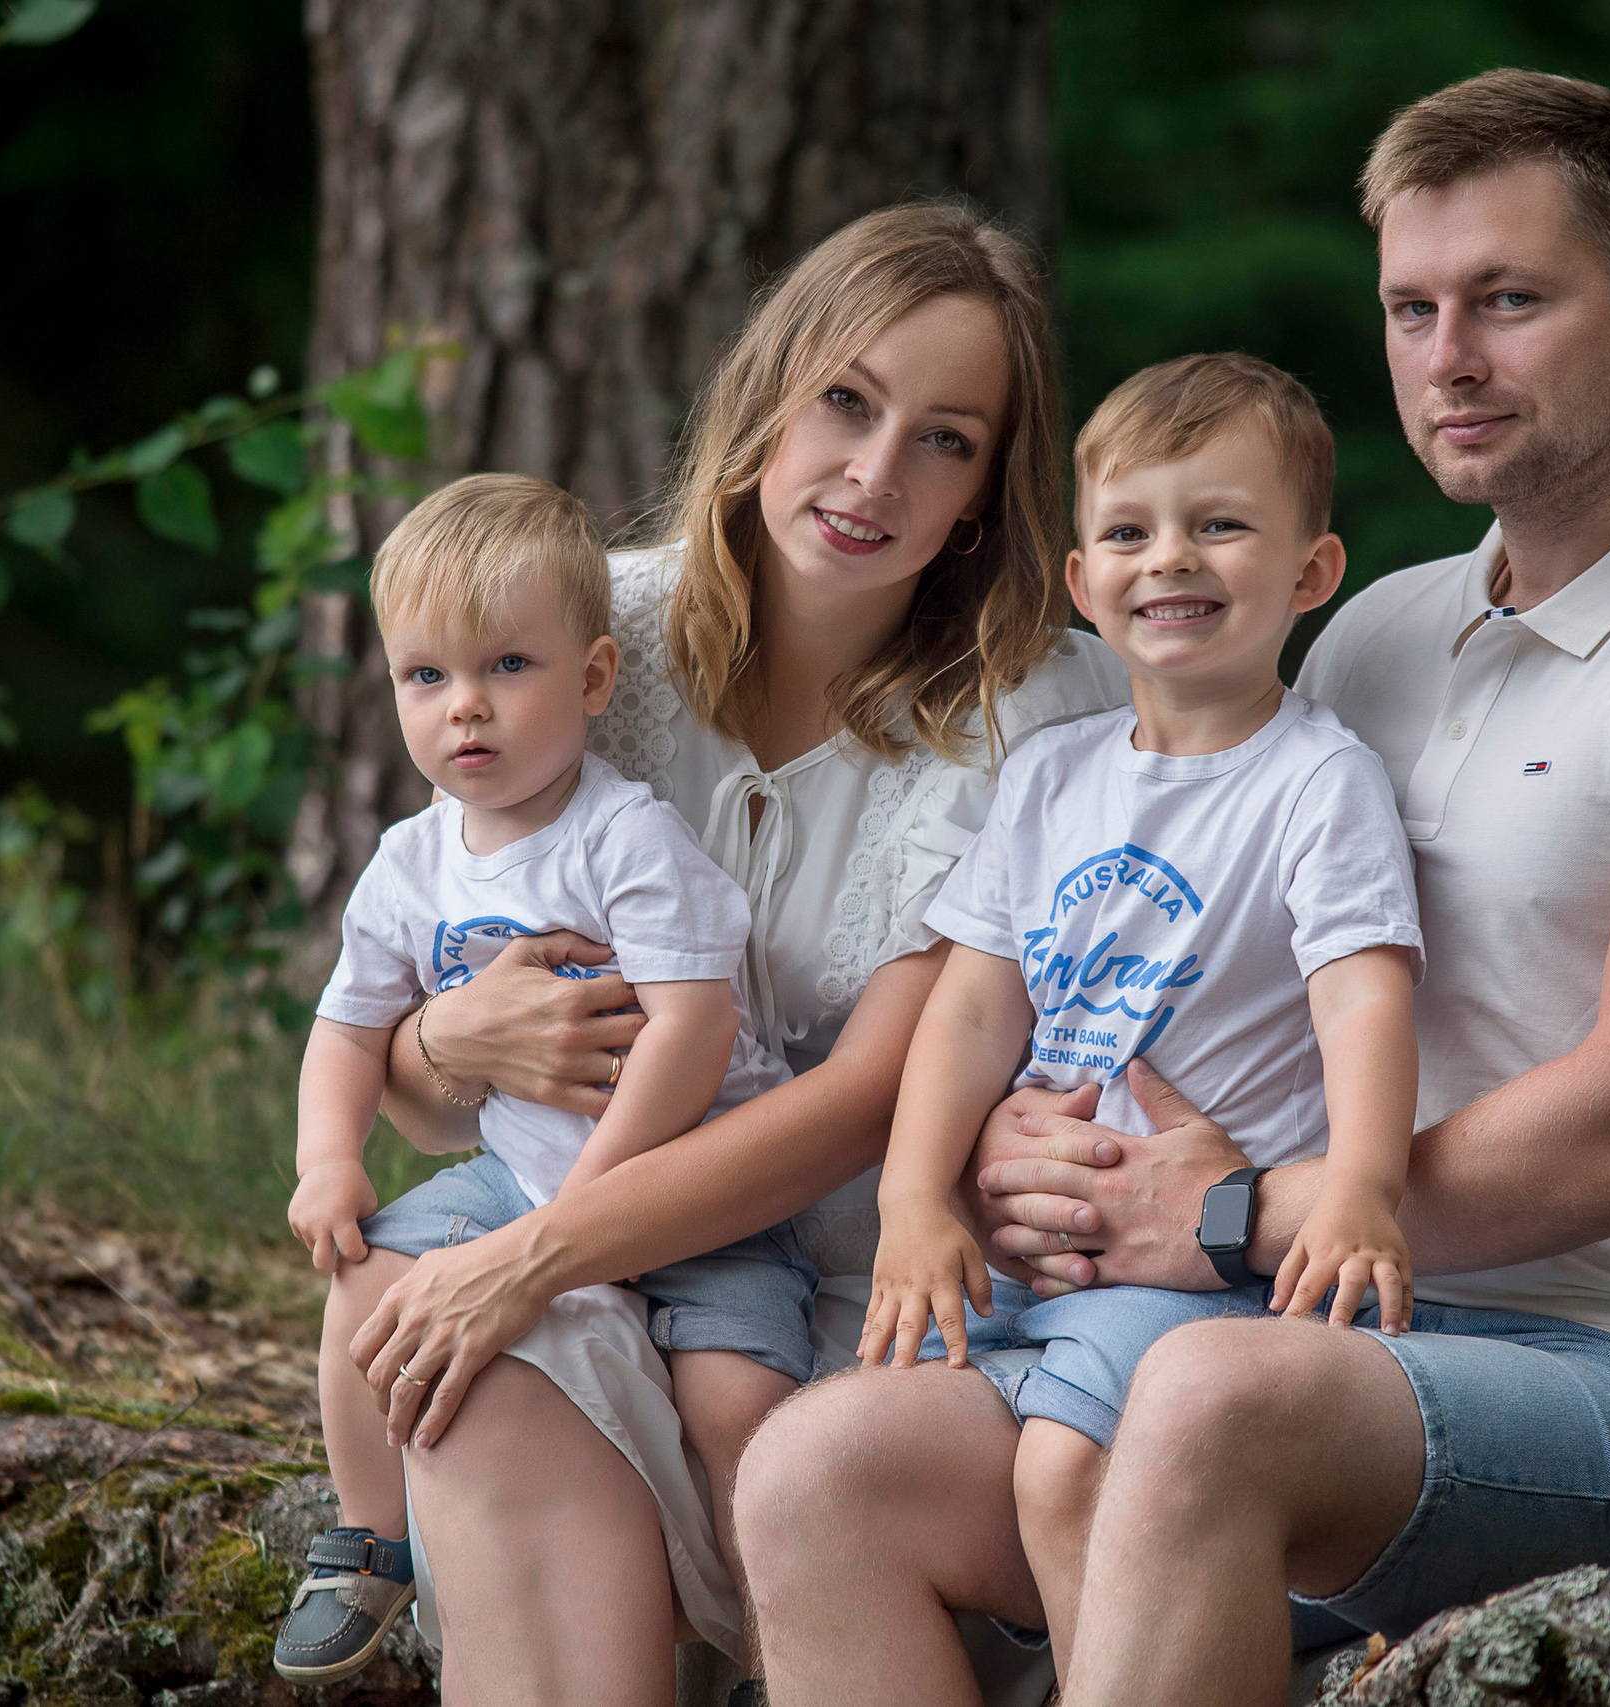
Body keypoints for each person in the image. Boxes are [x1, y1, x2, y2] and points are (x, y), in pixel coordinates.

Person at [738, 69, 1610, 1707]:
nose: (1450, 354)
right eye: (1413, 306)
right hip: (1324, 1330)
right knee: (825, 1463)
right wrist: (1040, 1139)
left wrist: (1226, 1211)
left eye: (1510, 300)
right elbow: (1162, 931)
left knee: (1211, 1403)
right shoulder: (1372, 638)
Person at [341, 202, 1128, 1704]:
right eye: (845, 400)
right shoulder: (588, 635)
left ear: (982, 493)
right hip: (593, 1259)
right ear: (768, 392)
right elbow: (417, 1076)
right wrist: (453, 1045)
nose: (874, 472)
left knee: (519, 1323)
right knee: (461, 1364)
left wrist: (534, 1254)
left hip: (878, 1297)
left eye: (944, 439)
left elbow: (875, 1091)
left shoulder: (1034, 703)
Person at [858, 351, 1425, 1670]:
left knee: (1063, 1470)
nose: (1170, 557)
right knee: (861, 1437)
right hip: (1028, 1254)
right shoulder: (1053, 776)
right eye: (1130, 529)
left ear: (1311, 572)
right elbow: (968, 1013)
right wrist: (911, 1198)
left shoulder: (1316, 781)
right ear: (1080, 582)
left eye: (1219, 523)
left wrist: (1360, 1186)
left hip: (1187, 1275)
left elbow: (1366, 998)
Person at [271, 475, 806, 1684]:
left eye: (507, 666)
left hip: (698, 1198)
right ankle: (369, 1531)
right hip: (519, 1175)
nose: (466, 708)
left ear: (594, 680)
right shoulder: (412, 864)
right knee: (366, 1287)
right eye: (426, 677)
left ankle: (768, 1628)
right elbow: (348, 1028)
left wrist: (599, 1207)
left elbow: (692, 1033)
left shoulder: (626, 840)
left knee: (736, 1404)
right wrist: (327, 1159)